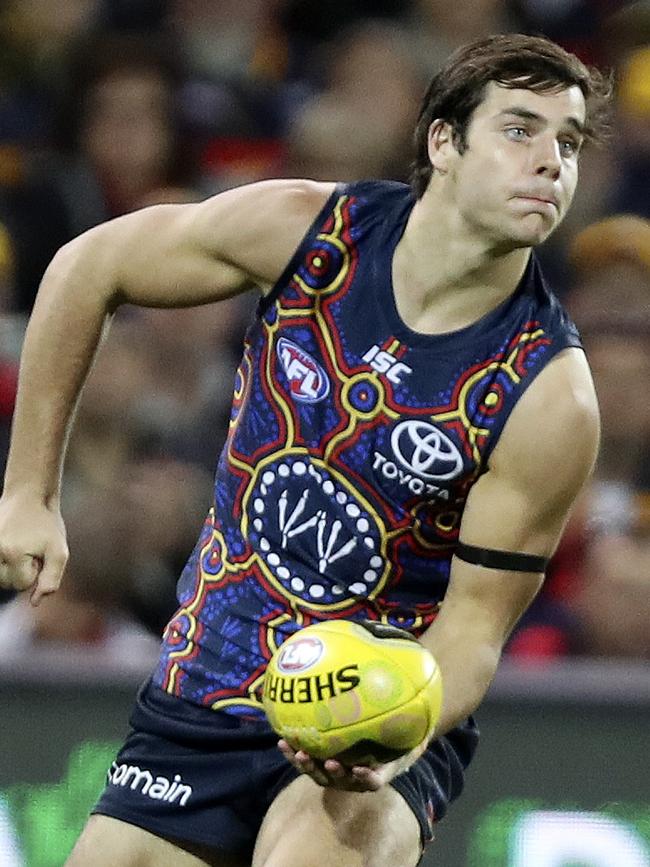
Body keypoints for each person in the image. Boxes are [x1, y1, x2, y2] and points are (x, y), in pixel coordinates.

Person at [0, 33, 611, 867]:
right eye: (520, 129)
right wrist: (29, 493)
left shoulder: (548, 392)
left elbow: (472, 630)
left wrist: (393, 735)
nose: (551, 163)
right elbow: (86, 267)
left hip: (375, 721)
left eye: (568, 144)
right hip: (209, 683)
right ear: (444, 142)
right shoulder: (312, 235)